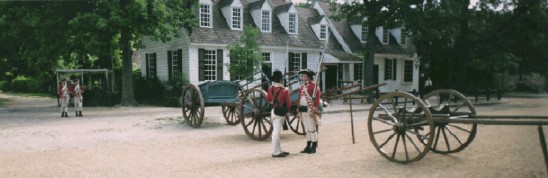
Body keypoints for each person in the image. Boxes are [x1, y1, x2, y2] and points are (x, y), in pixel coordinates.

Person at [266, 70, 291, 158]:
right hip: (280, 113)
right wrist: (287, 111)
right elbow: (288, 103)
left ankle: (279, 150)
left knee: (276, 132)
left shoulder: (270, 89)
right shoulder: (284, 90)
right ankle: (275, 152)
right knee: (276, 133)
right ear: (281, 80)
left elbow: (268, 100)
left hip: (273, 111)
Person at [297, 69, 321, 154]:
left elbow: (317, 99)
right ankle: (308, 145)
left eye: (304, 76)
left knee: (312, 128)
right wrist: (298, 109)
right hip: (303, 110)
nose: (303, 77)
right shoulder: (302, 86)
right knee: (307, 129)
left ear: (309, 77)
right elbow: (299, 98)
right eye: (302, 76)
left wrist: (313, 110)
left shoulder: (314, 86)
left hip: (310, 110)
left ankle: (314, 146)